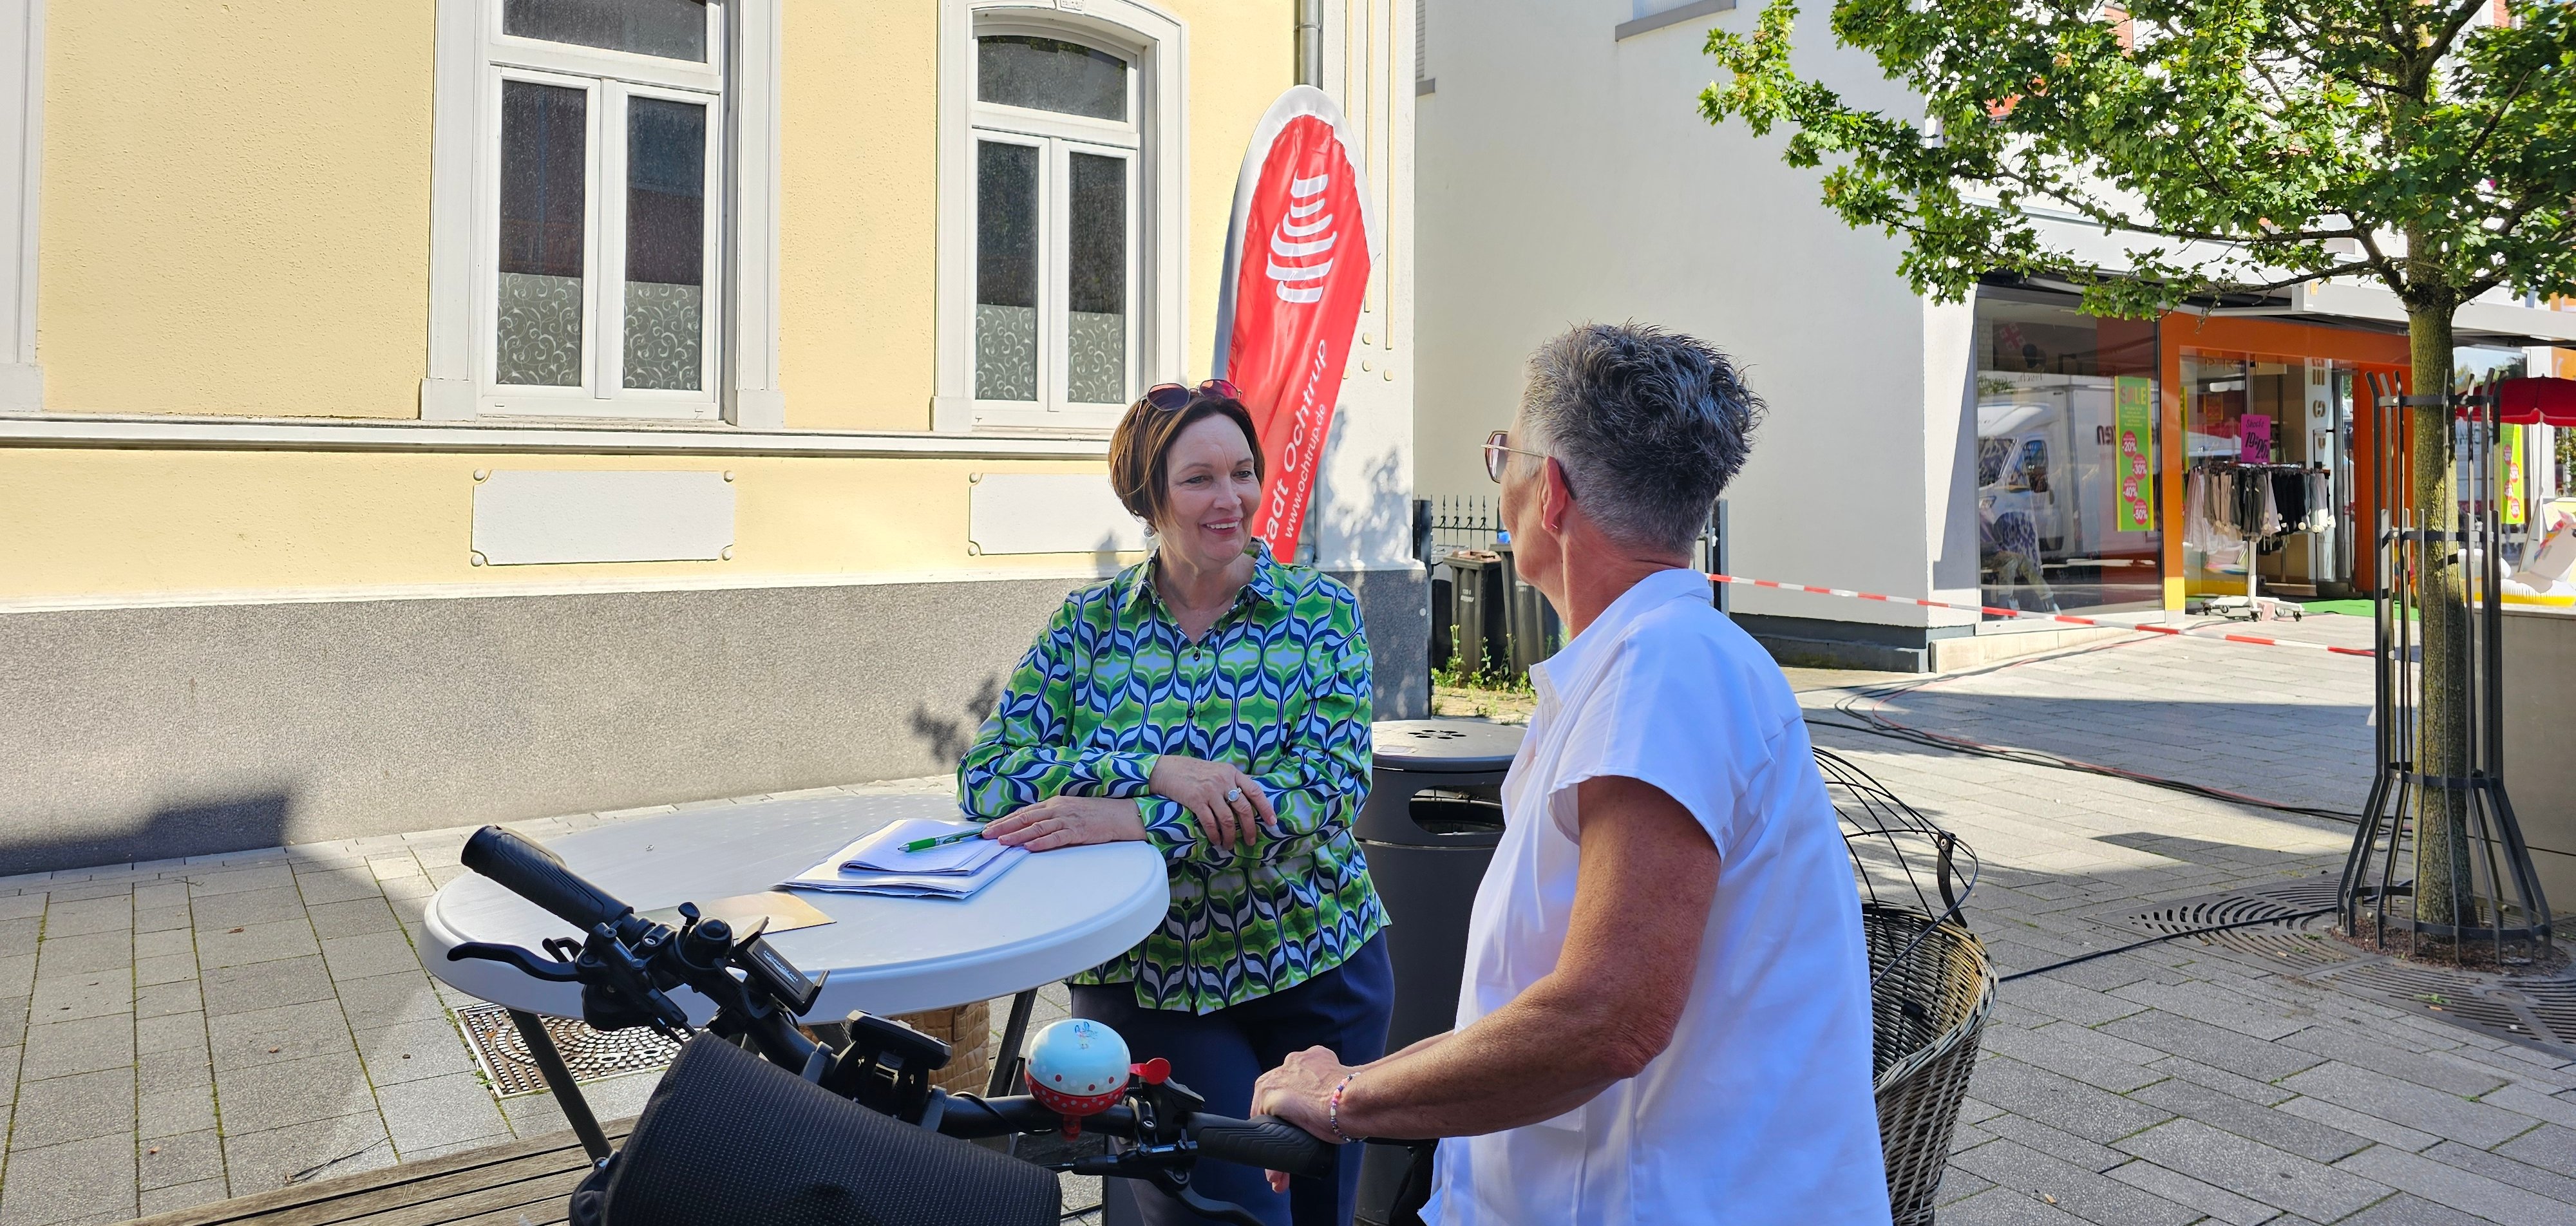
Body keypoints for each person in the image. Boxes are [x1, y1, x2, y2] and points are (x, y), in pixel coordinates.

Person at [1251, 324, 1891, 1225]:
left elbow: (1606, 1016)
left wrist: (1346, 1097)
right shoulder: (1652, 661)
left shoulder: (1665, 673)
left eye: (1503, 452)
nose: (1499, 474)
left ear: (1548, 493)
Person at [959, 379, 1392, 1226]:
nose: (1229, 499)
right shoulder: (1089, 628)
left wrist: (1132, 822)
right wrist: (1155, 770)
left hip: (1318, 966)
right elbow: (991, 776)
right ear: (1148, 494)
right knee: (1227, 1217)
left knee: (1321, 1214)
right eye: (1199, 478)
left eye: (1243, 472)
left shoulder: (1320, 616)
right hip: (1152, 982)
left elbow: (1325, 792)